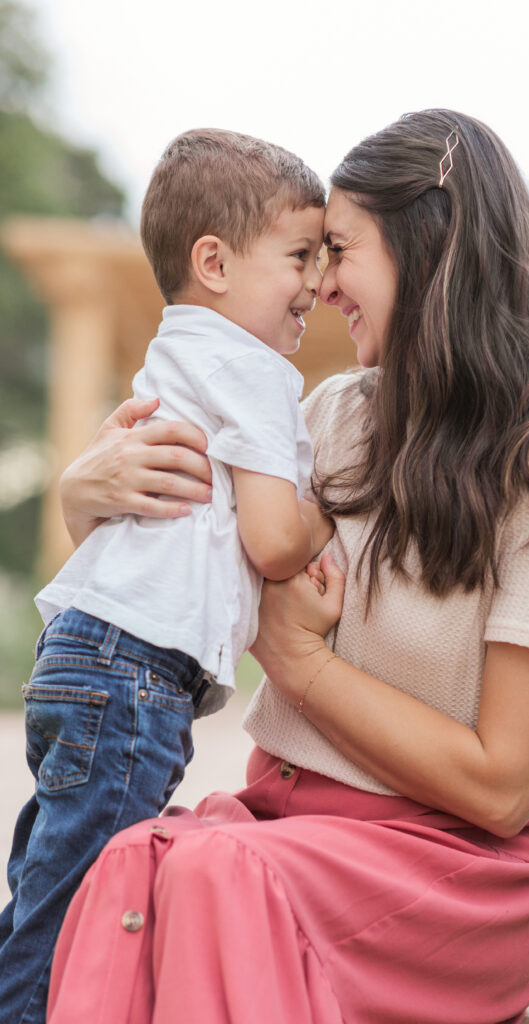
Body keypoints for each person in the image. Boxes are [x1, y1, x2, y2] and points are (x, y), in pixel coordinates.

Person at [46, 109, 529, 1024]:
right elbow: (186, 551)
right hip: (281, 827)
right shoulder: (335, 413)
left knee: (212, 873)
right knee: (127, 864)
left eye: (336, 250)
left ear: (430, 251)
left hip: (450, 877)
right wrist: (82, 500)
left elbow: (502, 787)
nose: (319, 283)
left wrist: (302, 664)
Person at [0, 128, 333, 1024]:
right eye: (300, 254)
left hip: (85, 654)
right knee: (80, 908)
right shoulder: (255, 369)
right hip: (132, 672)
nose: (314, 283)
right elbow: (272, 542)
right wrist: (326, 519)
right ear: (215, 262)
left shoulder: (179, 349)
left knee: (44, 882)